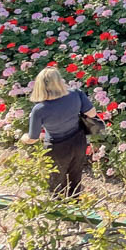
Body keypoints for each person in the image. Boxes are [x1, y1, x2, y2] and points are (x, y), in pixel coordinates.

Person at [20, 67, 101, 196]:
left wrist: (23, 137)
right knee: (75, 177)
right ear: (59, 81)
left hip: (56, 147)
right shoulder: (75, 93)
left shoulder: (39, 109)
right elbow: (92, 113)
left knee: (55, 183)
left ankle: (58, 211)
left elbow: (32, 138)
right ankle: (75, 207)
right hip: (78, 141)